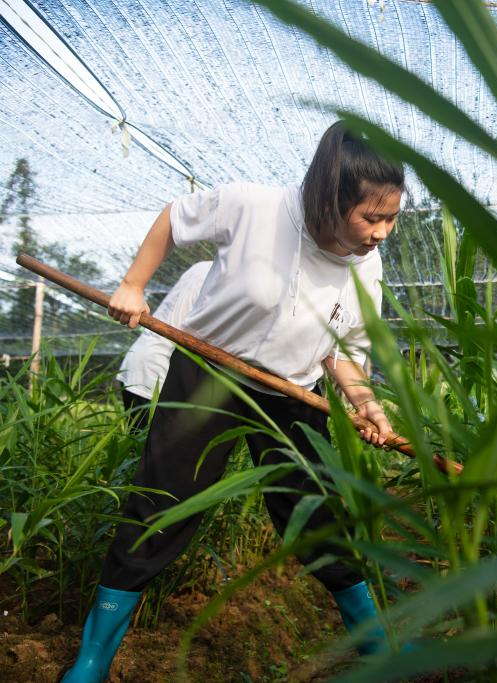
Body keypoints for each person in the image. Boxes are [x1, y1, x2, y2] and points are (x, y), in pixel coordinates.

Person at [63, 123, 404, 683]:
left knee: (316, 517)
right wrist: (133, 284)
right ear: (328, 198)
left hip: (292, 394)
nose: (383, 233)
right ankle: (92, 660)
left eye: (392, 217)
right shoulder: (253, 207)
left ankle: (374, 647)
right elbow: (175, 219)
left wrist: (363, 401)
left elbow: (344, 350)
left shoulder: (366, 262)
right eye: (371, 217)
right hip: (208, 377)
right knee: (161, 509)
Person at [116, 260, 212, 424]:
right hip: (161, 376)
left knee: (137, 444)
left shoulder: (202, 266)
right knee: (155, 447)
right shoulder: (225, 277)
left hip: (139, 362)